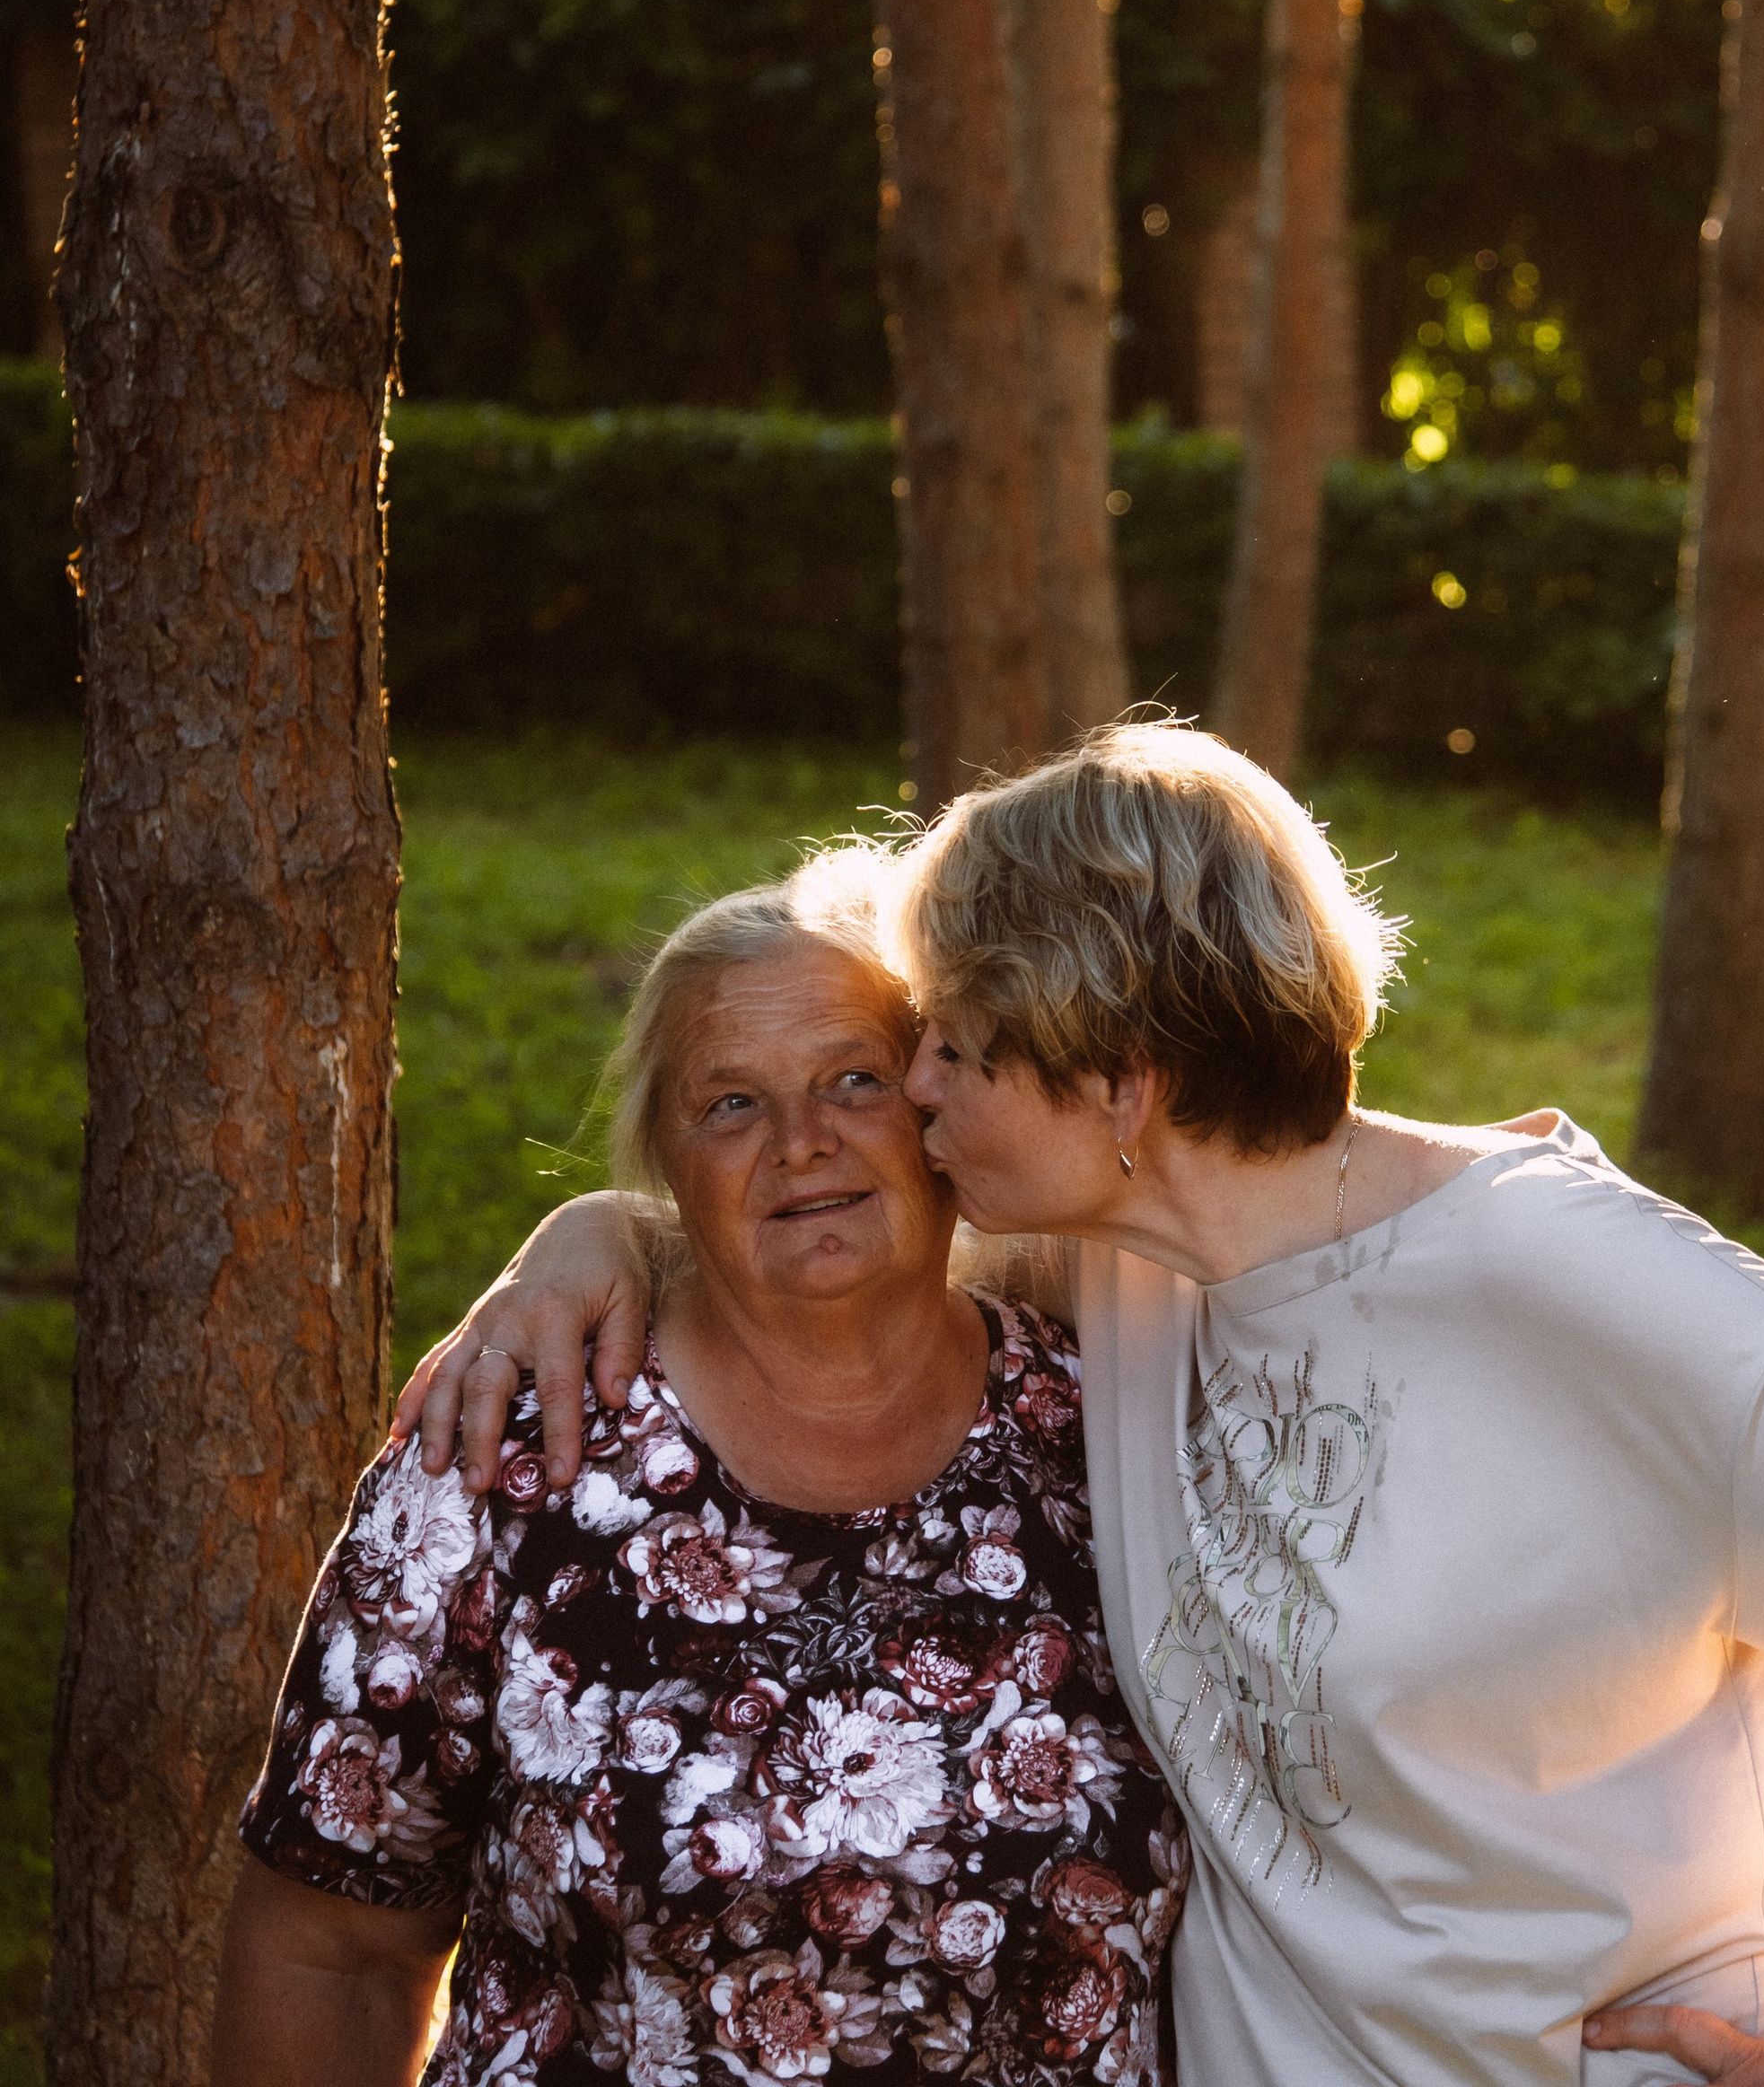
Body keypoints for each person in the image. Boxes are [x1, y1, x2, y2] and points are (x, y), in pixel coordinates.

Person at [405, 723, 1764, 2087]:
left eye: (947, 1040)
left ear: (1113, 1073)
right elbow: (798, 1224)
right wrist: (594, 1231)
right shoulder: (1118, 1261)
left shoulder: (1567, 1279)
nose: (908, 1088)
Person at [217, 855, 1189, 2087]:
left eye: (856, 1080)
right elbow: (330, 1949)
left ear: (944, 1106)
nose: (801, 1142)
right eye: (731, 1105)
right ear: (663, 1162)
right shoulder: (512, 1452)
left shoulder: (1113, 1426)